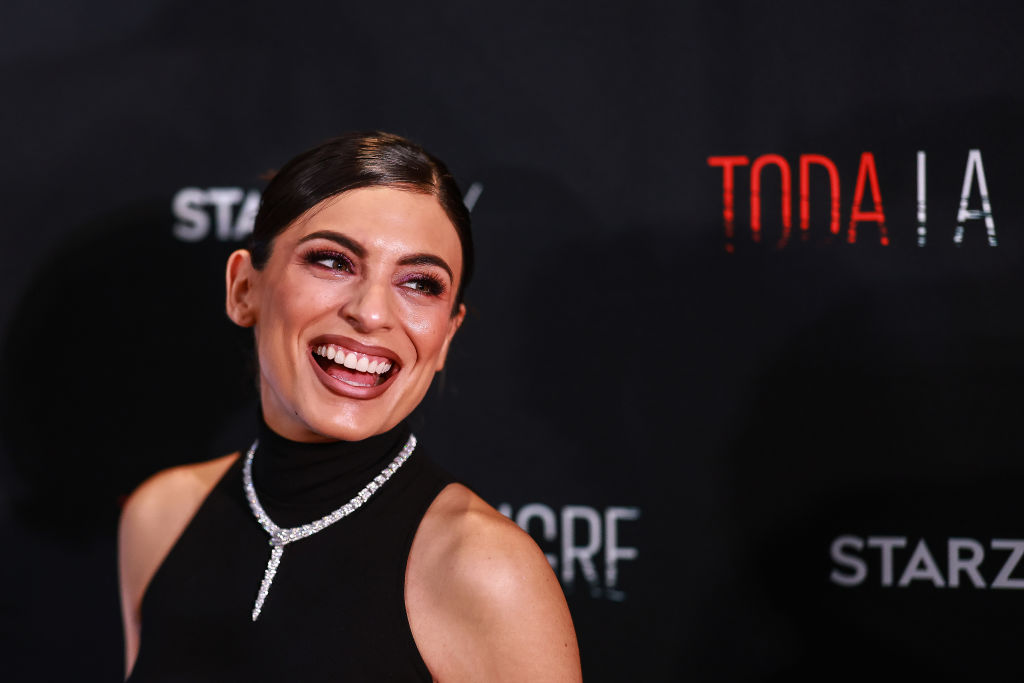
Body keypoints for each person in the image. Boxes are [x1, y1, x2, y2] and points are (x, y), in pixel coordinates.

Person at [117, 132, 582, 682]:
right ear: (244, 288)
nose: (371, 313)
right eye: (333, 261)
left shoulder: (486, 571)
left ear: (448, 336)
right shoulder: (159, 518)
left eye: (419, 283)